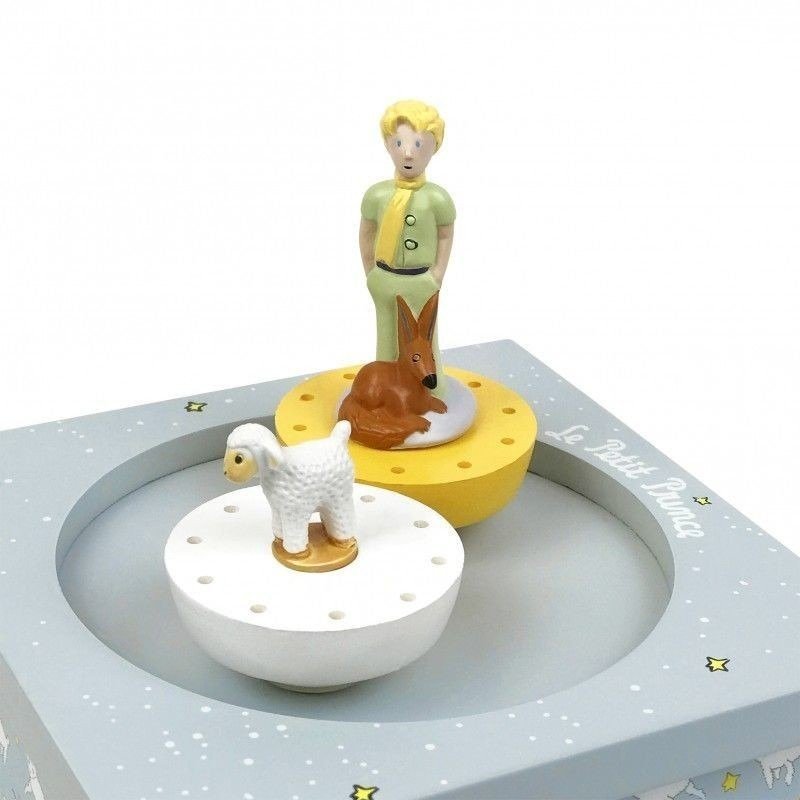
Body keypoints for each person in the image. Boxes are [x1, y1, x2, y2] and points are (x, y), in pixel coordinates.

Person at [359, 99, 455, 397]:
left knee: (425, 337)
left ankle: (429, 392)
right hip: (385, 278)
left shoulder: (438, 198)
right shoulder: (376, 195)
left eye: (418, 144)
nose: (408, 153)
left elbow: (445, 236)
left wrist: (437, 274)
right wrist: (371, 271)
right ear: (388, 145)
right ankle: (387, 393)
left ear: (434, 147)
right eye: (399, 143)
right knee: (387, 337)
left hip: (421, 281)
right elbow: (366, 233)